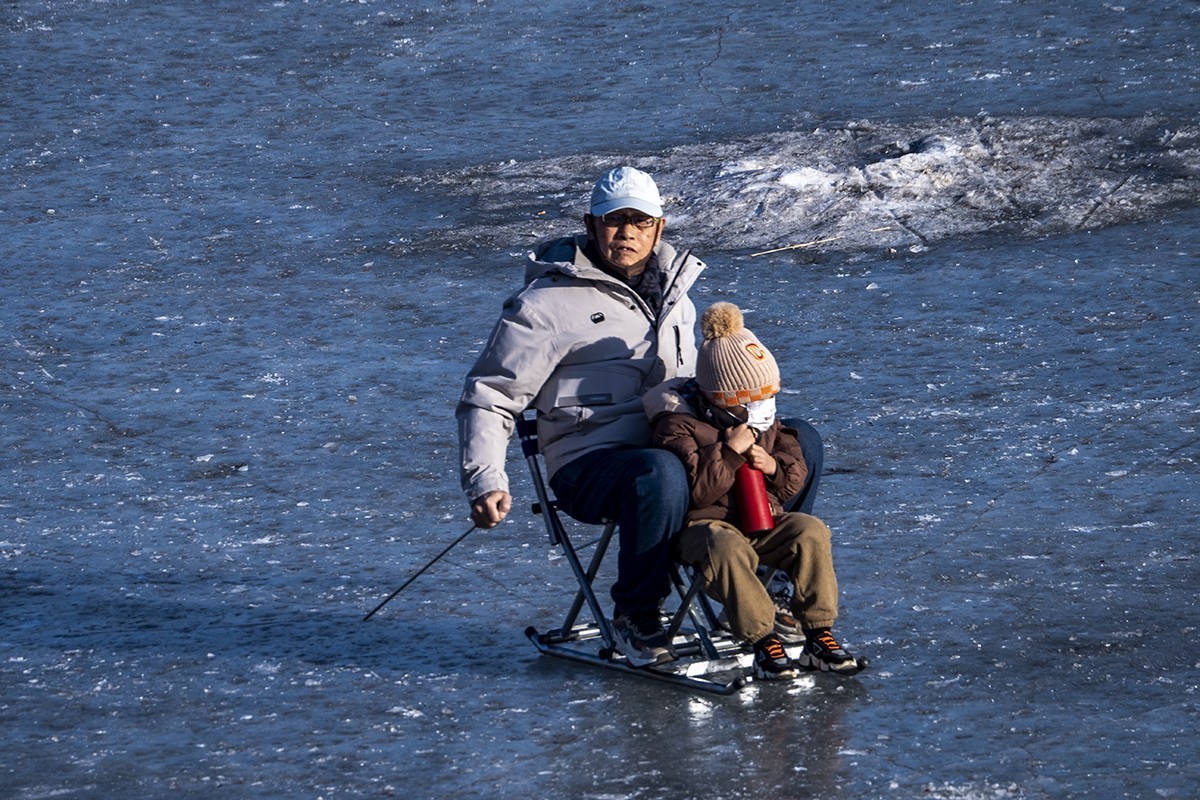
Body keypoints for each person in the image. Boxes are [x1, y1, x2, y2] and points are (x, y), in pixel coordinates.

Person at [456, 166, 706, 666]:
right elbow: (489, 394)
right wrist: (484, 481)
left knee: (798, 443)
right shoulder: (545, 305)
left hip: (675, 448)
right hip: (590, 463)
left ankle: (774, 590)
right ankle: (637, 616)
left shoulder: (679, 293)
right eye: (614, 221)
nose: (628, 232)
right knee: (659, 473)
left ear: (659, 226)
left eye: (640, 220)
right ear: (591, 227)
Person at [643, 302, 866, 679]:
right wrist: (728, 453)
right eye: (750, 400)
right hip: (704, 530)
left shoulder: (765, 418)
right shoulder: (677, 426)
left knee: (809, 531)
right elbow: (692, 494)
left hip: (762, 520)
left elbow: (795, 478)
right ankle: (765, 641)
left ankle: (818, 633)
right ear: (720, 398)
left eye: (765, 398)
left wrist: (773, 467)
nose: (761, 408)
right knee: (724, 545)